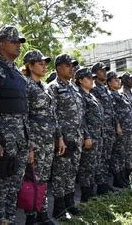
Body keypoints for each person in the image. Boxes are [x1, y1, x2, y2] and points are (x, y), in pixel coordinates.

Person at [0, 25, 30, 224]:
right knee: (0, 185)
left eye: (19, 42)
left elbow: (24, 109)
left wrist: (29, 141)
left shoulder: (20, 75)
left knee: (14, 185)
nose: (17, 46)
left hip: (21, 139)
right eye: (13, 42)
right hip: (3, 140)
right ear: (1, 44)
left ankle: (10, 219)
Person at [22, 49, 64, 224]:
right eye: (40, 63)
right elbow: (24, 117)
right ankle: (31, 215)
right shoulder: (26, 86)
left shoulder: (45, 88)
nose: (44, 66)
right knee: (32, 178)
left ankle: (42, 211)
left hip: (48, 139)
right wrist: (29, 146)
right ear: (30, 66)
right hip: (35, 140)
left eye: (45, 63)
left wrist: (59, 137)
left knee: (44, 178)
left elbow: (53, 115)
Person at [48, 54, 84, 220]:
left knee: (71, 171)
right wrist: (59, 137)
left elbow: (80, 114)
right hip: (63, 138)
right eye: (68, 65)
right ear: (58, 67)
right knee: (60, 173)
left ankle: (70, 203)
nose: (72, 68)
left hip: (76, 137)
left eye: (72, 66)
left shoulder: (73, 87)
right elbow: (52, 114)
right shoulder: (53, 88)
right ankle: (59, 208)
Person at [75, 67, 109, 201]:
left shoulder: (91, 95)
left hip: (98, 135)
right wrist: (87, 136)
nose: (92, 80)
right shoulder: (80, 96)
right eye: (89, 78)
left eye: (92, 78)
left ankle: (93, 191)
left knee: (95, 165)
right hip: (90, 137)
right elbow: (81, 119)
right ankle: (86, 196)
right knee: (86, 168)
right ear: (81, 81)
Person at [107, 71, 132, 188]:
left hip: (128, 129)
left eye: (119, 79)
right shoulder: (110, 95)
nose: (118, 81)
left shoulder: (120, 94)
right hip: (120, 130)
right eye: (115, 80)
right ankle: (117, 178)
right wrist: (118, 125)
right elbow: (113, 113)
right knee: (117, 154)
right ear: (109, 83)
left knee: (123, 153)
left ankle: (122, 176)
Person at [90, 62, 116, 189]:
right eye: (102, 70)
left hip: (109, 127)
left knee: (106, 156)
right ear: (95, 73)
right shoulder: (94, 89)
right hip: (99, 128)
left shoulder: (104, 88)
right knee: (99, 157)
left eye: (105, 70)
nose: (104, 72)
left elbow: (111, 109)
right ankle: (100, 183)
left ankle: (104, 181)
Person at [119, 72, 132, 182]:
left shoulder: (131, 93)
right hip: (126, 127)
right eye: (130, 79)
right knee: (126, 150)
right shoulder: (122, 93)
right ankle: (126, 172)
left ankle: (130, 169)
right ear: (125, 80)